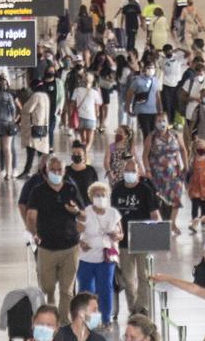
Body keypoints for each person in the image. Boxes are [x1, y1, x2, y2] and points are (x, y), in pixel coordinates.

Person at [19, 154, 87, 319]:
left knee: (67, 290)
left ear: (64, 171)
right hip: (46, 247)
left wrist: (76, 211)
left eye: (59, 170)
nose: (56, 173)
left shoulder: (71, 189)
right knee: (47, 285)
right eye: (53, 170)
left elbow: (84, 215)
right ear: (46, 171)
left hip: (70, 246)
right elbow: (31, 216)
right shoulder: (38, 191)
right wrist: (34, 233)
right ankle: (50, 305)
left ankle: (62, 323)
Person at [110, 162, 170, 317]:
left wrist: (159, 235)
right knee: (127, 278)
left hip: (142, 235)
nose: (129, 173)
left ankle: (142, 306)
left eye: (133, 171)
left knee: (143, 275)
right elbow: (111, 213)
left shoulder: (145, 190)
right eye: (127, 171)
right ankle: (133, 307)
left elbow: (154, 213)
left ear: (138, 173)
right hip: (123, 239)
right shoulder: (117, 189)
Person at [74, 184, 122, 326]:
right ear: (91, 197)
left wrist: (116, 236)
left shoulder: (113, 213)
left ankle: (105, 319)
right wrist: (81, 242)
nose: (100, 198)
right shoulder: (85, 213)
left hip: (106, 258)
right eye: (97, 195)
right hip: (86, 258)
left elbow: (121, 234)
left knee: (105, 289)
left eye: (103, 195)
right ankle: (87, 321)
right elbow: (77, 232)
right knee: (86, 290)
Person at [143, 113, 188, 214]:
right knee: (161, 199)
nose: (161, 123)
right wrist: (147, 170)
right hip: (158, 173)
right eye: (159, 121)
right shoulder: (152, 137)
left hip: (174, 172)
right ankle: (163, 222)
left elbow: (183, 150)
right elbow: (145, 155)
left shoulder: (175, 135)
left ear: (168, 122)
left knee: (176, 196)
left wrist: (186, 165)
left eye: (163, 120)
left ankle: (172, 223)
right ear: (155, 123)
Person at [18, 85, 53, 179]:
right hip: (43, 126)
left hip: (34, 126)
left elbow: (27, 109)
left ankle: (27, 171)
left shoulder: (36, 95)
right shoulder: (45, 96)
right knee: (40, 151)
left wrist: (23, 106)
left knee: (31, 149)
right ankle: (42, 170)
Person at [184, 138, 205, 227]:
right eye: (199, 147)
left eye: (203, 148)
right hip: (195, 184)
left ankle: (204, 221)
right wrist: (186, 183)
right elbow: (188, 172)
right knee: (194, 205)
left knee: (204, 205)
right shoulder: (192, 159)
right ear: (194, 149)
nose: (201, 149)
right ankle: (194, 222)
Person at [127, 60, 160, 138]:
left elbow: (157, 95)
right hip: (142, 111)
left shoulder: (155, 80)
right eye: (148, 68)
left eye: (152, 68)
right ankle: (147, 149)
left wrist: (160, 109)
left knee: (153, 132)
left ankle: (151, 149)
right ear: (144, 69)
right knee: (146, 133)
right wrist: (128, 108)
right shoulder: (137, 81)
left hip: (153, 111)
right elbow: (129, 94)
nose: (151, 70)